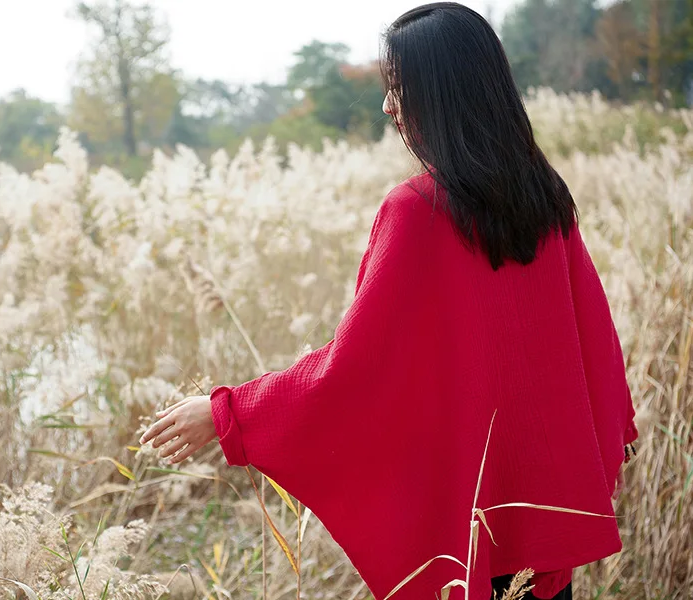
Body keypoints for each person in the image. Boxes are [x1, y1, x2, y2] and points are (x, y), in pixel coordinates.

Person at [140, 3, 639, 599]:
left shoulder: (415, 211)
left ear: (441, 92)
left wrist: (227, 414)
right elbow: (595, 350)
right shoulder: (545, 196)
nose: (387, 106)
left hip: (472, 523)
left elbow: (352, 373)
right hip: (541, 525)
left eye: (398, 88)